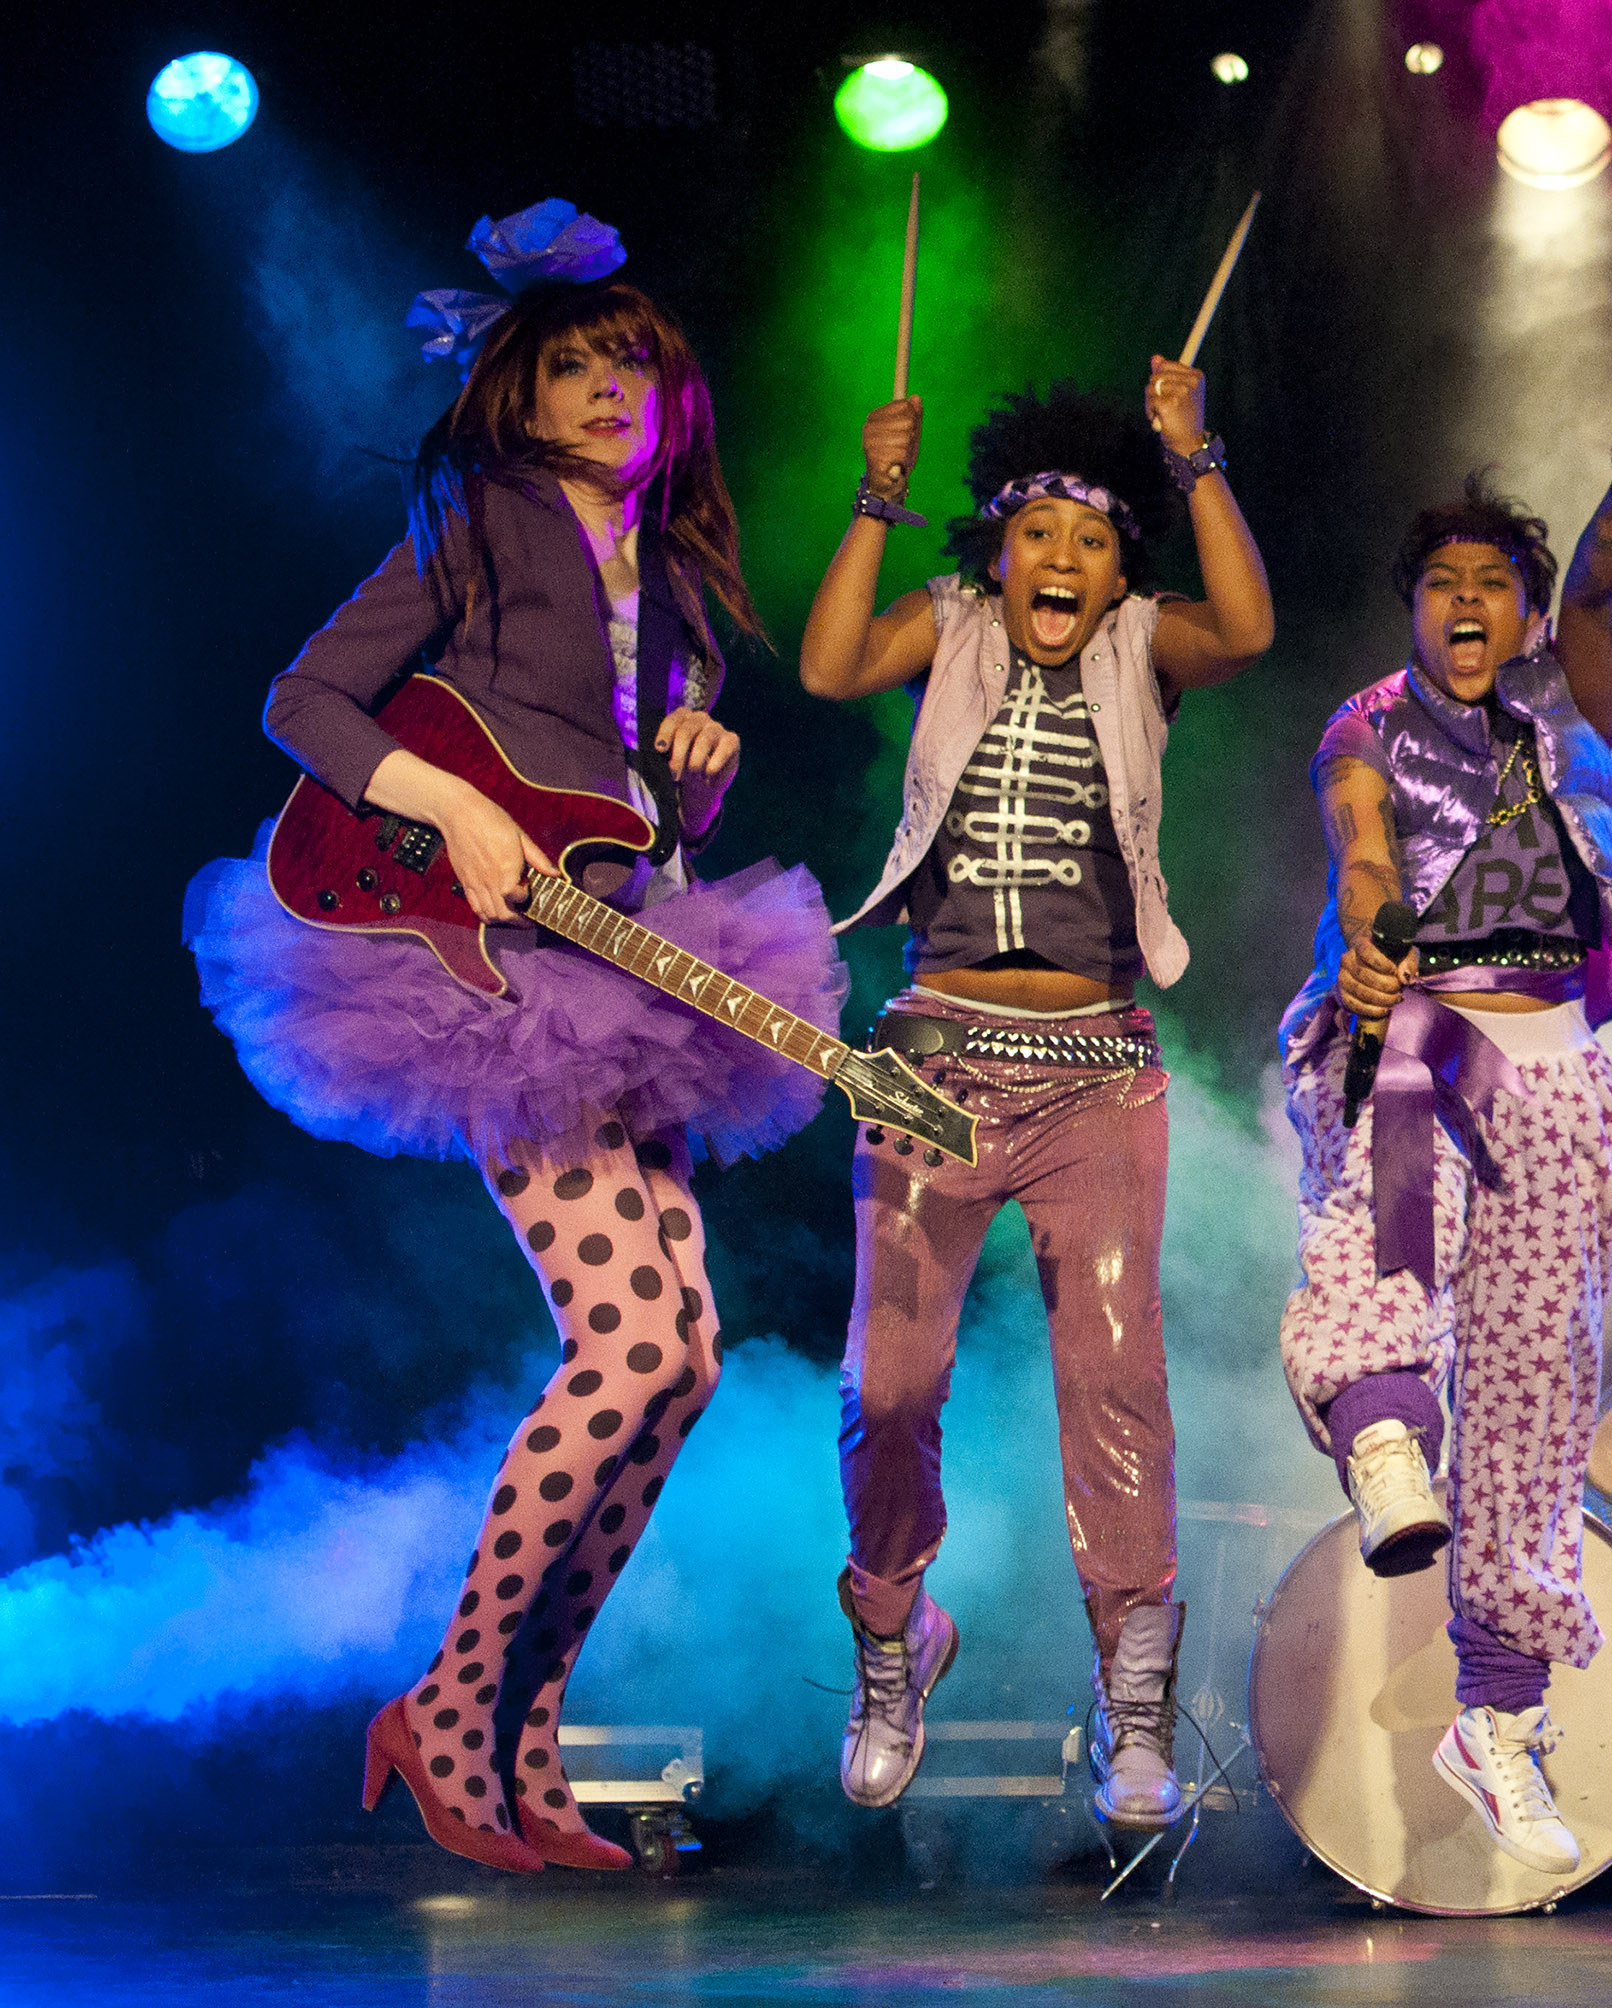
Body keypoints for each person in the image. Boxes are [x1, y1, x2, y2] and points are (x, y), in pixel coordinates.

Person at [185, 202, 843, 1873]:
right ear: (518, 394)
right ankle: (448, 1702)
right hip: (489, 977)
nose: (610, 388)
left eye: (633, 362)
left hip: (627, 954)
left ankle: (527, 1735)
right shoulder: (479, 520)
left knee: (685, 1361)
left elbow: (624, 810)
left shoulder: (679, 579)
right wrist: (449, 807)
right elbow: (305, 700)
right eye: (573, 367)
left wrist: (692, 775)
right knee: (626, 1344)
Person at [797, 357, 1273, 1832]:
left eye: (1092, 539)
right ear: (994, 555)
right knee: (889, 1383)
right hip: (931, 1056)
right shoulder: (945, 627)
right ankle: (895, 1636)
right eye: (1037, 535)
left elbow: (1246, 630)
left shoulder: (1141, 647)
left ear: (1123, 570)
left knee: (1114, 1380)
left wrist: (1194, 459)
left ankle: (1133, 1704)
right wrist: (877, 495)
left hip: (1096, 1072)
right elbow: (826, 667)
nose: (1063, 559)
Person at [1275, 379, 1612, 1875]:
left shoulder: (1571, 708)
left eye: (1493, 584)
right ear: (1413, 610)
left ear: (1523, 613)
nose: (1467, 601)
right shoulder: (1368, 722)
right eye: (1442, 582)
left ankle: (1499, 1719)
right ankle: (1387, 1439)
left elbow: (1601, 585)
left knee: (1534, 1389)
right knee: (1387, 1239)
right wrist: (1374, 927)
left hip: (1559, 1062)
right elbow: (1361, 837)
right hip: (1419, 1029)